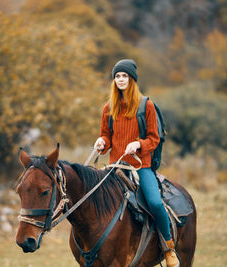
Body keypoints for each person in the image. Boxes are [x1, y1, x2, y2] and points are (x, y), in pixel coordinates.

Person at [94, 59, 179, 267]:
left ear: (132, 79)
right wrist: (101, 142)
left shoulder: (146, 106)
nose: (120, 80)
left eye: (124, 76)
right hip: (115, 168)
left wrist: (138, 145)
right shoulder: (108, 108)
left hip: (141, 166)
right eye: (117, 76)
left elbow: (154, 138)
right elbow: (106, 136)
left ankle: (168, 248)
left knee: (156, 203)